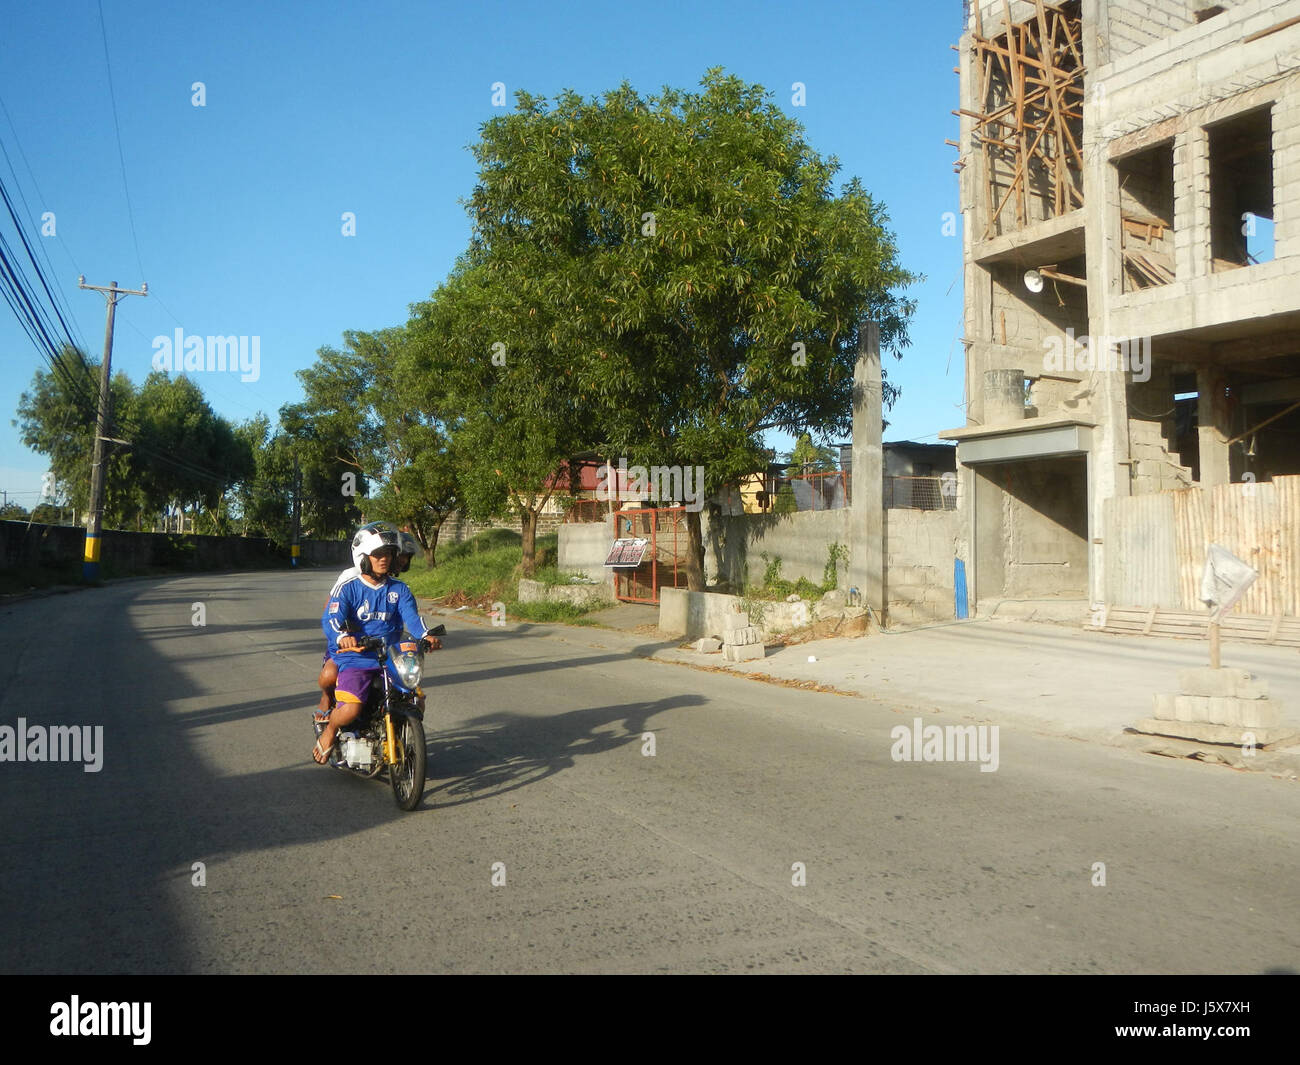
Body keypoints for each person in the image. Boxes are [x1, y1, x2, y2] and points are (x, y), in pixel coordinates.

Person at [313, 524, 440, 764]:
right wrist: (342, 637)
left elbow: (412, 618)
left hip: (391, 656)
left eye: (388, 554)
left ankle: (399, 735)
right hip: (356, 656)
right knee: (350, 709)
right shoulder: (348, 587)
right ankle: (330, 730)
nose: (384, 559)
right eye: (377, 554)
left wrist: (425, 635)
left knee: (417, 701)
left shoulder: (400, 589)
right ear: (363, 557)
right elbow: (331, 619)